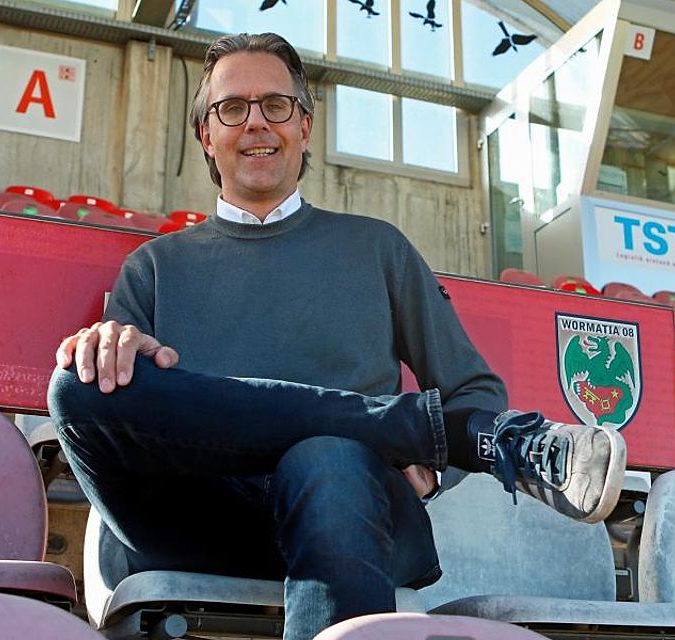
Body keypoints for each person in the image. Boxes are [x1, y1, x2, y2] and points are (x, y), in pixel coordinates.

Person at [48, 32, 626, 640]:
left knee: (325, 453)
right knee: (74, 386)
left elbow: (472, 385)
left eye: (275, 105)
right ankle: (465, 438)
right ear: (206, 137)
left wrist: (433, 471)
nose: (256, 125)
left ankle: (414, 437)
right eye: (231, 109)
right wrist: (105, 346)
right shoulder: (155, 266)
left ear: (305, 126)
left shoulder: (377, 249)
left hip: (350, 512)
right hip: (198, 522)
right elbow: (132, 415)